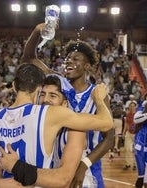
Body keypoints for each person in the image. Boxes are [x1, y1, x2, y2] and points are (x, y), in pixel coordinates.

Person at [21, 23, 115, 187]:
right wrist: (37, 31)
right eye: (67, 59)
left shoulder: (98, 94)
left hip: (88, 166)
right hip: (56, 164)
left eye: (75, 59)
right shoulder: (59, 84)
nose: (68, 61)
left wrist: (83, 166)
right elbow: (28, 58)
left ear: (86, 66)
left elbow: (109, 139)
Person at [0, 63, 113, 187]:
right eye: (42, 94)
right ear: (38, 91)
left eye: (53, 95)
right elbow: (0, 164)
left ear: (65, 104)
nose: (45, 100)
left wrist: (100, 100)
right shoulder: (37, 118)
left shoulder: (73, 129)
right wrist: (0, 180)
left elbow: (63, 179)